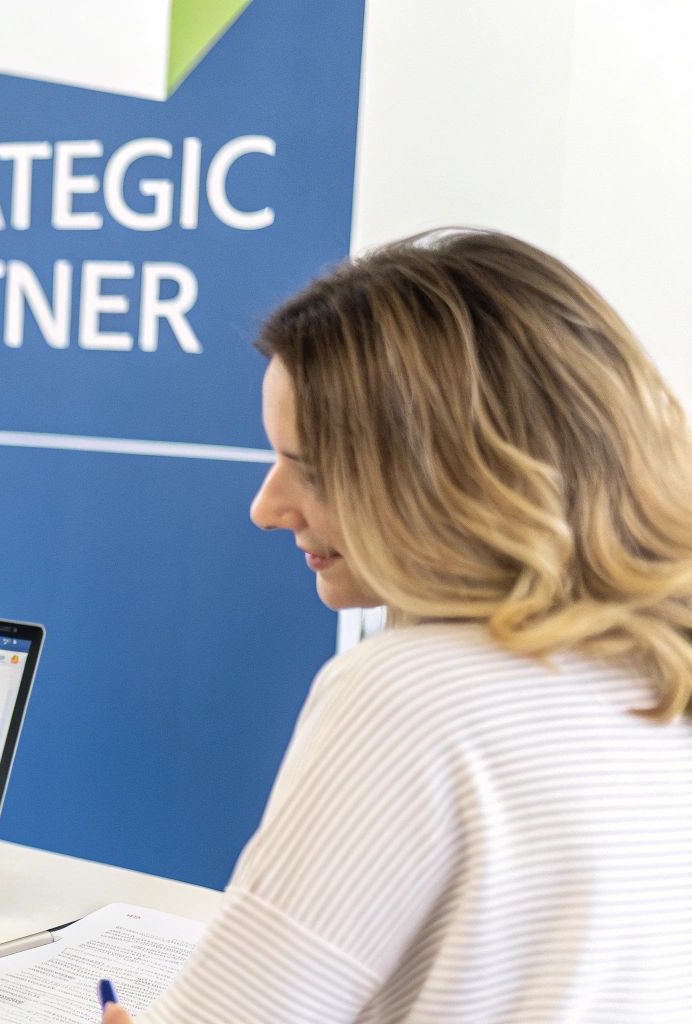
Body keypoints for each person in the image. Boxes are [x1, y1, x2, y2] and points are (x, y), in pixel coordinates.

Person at [104, 229, 692, 1023]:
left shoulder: (411, 692)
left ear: (457, 475)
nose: (267, 509)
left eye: (312, 469)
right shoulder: (664, 674)